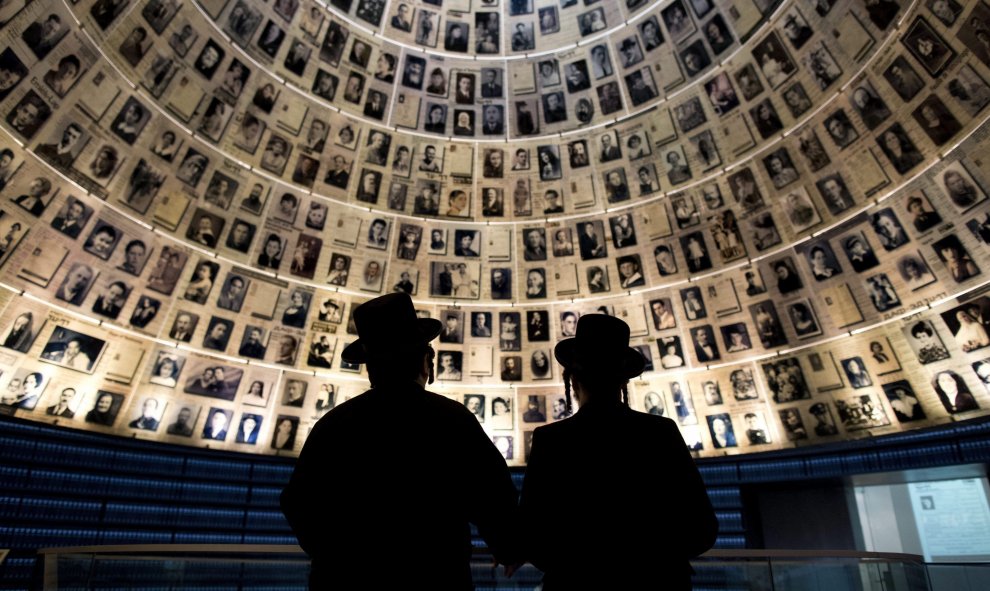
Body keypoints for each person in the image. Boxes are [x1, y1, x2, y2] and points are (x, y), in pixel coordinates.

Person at [281, 294, 519, 588]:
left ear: (370, 367)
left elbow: (298, 503)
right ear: (425, 363)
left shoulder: (332, 426)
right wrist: (508, 548)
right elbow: (494, 498)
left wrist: (335, 557)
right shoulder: (453, 420)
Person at [517, 314, 717, 588]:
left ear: (573, 380)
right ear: (624, 381)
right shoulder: (661, 433)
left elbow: (533, 535)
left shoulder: (551, 440)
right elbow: (702, 528)